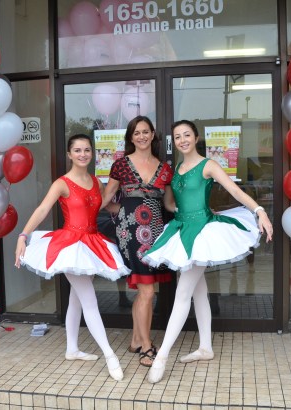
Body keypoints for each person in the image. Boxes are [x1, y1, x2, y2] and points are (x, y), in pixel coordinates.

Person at [142, 120, 274, 384]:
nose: (182, 140)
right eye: (177, 136)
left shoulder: (209, 165)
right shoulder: (176, 169)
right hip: (183, 229)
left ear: (196, 136)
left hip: (202, 231)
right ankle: (205, 347)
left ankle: (162, 356)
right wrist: (175, 209)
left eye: (187, 135)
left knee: (183, 293)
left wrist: (259, 211)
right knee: (198, 291)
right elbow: (170, 202)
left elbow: (234, 190)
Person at [15, 134, 129, 382]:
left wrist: (138, 207)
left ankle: (72, 349)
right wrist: (23, 235)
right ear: (69, 154)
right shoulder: (62, 183)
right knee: (89, 300)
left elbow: (105, 207)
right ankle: (110, 355)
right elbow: (43, 209)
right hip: (70, 245)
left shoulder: (96, 182)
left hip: (91, 242)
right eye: (77, 150)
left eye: (87, 150)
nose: (83, 154)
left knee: (76, 299)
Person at [101, 115, 175, 367]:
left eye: (146, 131)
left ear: (153, 134)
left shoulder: (166, 169)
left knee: (144, 291)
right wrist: (119, 211)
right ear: (131, 138)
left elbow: (168, 205)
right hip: (130, 234)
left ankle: (135, 340)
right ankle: (146, 346)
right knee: (147, 290)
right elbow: (105, 198)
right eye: (136, 133)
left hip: (155, 233)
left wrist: (199, 214)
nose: (141, 136)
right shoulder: (121, 165)